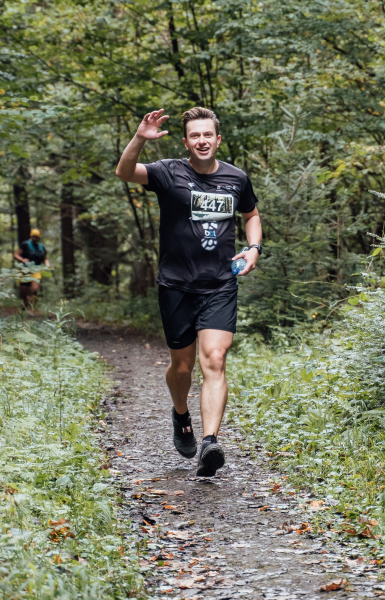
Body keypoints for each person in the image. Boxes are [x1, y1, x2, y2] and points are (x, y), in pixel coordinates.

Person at [116, 107, 262, 477]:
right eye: (194, 135)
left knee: (214, 358)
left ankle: (210, 442)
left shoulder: (237, 178)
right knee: (182, 367)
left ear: (218, 139)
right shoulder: (168, 172)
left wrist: (254, 248)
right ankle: (181, 414)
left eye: (207, 134)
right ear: (186, 142)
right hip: (176, 285)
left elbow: (251, 215)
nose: (201, 140)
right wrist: (140, 138)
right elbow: (124, 172)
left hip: (219, 283)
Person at [13, 228, 50, 310]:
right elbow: (15, 255)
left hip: (36, 270)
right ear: (31, 236)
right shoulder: (25, 244)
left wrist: (47, 264)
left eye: (36, 237)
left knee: (35, 290)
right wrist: (22, 259)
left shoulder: (41, 247)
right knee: (24, 291)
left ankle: (31, 309)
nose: (35, 238)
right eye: (33, 236)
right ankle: (25, 302)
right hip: (25, 270)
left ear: (39, 238)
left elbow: (45, 259)